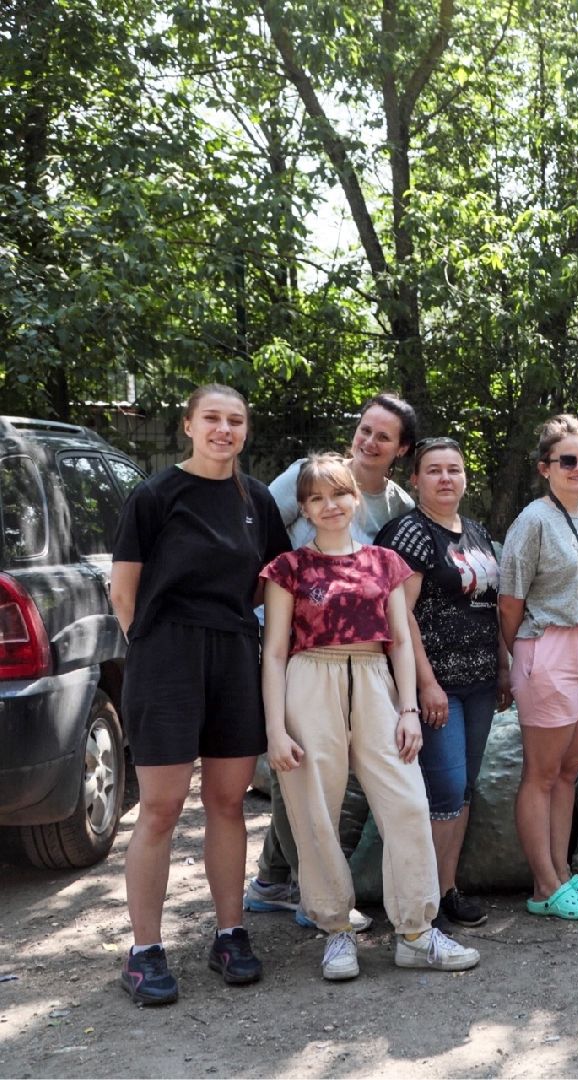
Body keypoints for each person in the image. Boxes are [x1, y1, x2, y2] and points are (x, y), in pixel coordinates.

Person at [260, 454, 479, 981]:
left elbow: (402, 639)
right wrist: (275, 729)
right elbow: (272, 653)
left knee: (406, 802)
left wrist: (408, 708)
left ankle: (415, 931)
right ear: (305, 507)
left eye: (338, 494)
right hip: (310, 679)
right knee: (316, 810)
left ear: (355, 497)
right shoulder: (287, 569)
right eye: (316, 497)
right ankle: (336, 930)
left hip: (377, 680)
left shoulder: (385, 563)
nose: (329, 505)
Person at [109, 385, 292, 1005]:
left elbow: (275, 583)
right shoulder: (155, 495)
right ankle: (145, 951)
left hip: (234, 654)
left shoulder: (257, 500)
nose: (224, 429)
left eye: (235, 420)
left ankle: (230, 933)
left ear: (245, 430)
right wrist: (156, 651)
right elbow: (124, 593)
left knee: (228, 801)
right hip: (166, 657)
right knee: (159, 808)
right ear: (188, 424)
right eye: (212, 418)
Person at [245, 393, 417, 924]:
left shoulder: (396, 508)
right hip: (295, 641)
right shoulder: (309, 475)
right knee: (303, 773)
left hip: (365, 656)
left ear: (400, 449)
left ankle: (280, 878)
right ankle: (310, 892)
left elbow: (398, 605)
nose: (368, 441)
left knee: (347, 780)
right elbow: (260, 529)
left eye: (382, 436)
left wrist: (407, 694)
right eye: (364, 429)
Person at [375, 437, 508, 931]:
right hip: (438, 684)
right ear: (415, 479)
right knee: (445, 788)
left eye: (454, 469)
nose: (445, 478)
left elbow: (490, 605)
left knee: (465, 788)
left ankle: (447, 889)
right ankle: (420, 900)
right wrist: (426, 684)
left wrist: (502, 666)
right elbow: (399, 615)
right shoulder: (407, 533)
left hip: (479, 681)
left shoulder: (475, 531)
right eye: (434, 470)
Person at [498, 416, 578, 920]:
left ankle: (562, 872)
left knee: (569, 770)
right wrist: (517, 661)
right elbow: (510, 601)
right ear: (545, 467)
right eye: (568, 460)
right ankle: (544, 884)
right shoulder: (532, 521)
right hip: (548, 647)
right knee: (542, 773)